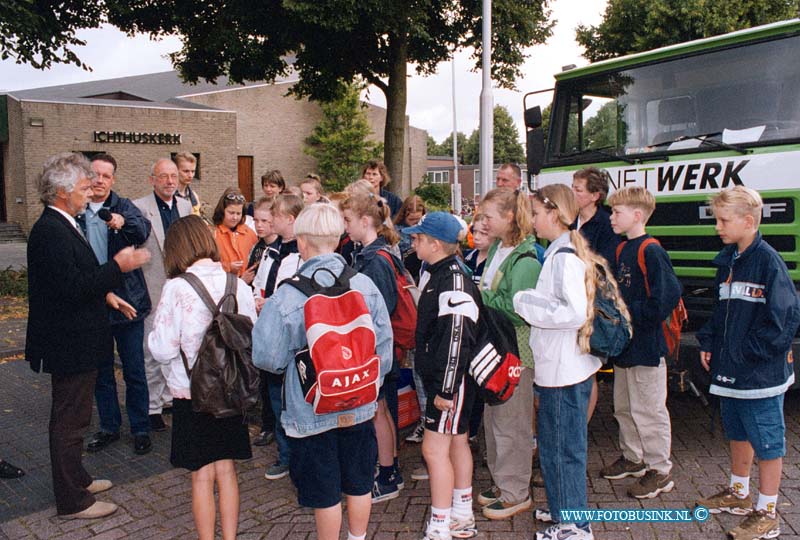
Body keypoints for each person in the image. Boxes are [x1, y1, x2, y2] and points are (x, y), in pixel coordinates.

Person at [252, 203, 393, 540]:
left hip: (311, 408)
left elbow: (267, 358)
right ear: (337, 237)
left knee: (325, 492)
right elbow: (383, 352)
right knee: (360, 482)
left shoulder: (287, 295)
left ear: (301, 241)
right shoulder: (364, 286)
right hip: (358, 403)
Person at [27, 152, 150, 520]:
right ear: (63, 192)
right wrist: (118, 267)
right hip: (68, 342)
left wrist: (107, 294)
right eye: (83, 187)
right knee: (69, 421)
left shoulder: (63, 223)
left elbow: (71, 280)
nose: (89, 192)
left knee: (76, 416)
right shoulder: (51, 230)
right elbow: (74, 287)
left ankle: (77, 479)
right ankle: (72, 501)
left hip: (77, 338)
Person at [695, 186, 800, 540]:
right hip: (731, 371)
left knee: (768, 441)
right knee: (737, 430)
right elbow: (721, 310)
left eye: (724, 221)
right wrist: (710, 342)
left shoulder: (768, 262)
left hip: (757, 374)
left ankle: (767, 512)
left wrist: (746, 354)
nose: (718, 227)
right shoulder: (728, 259)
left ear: (749, 221)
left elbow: (784, 320)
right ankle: (738, 492)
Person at [147, 215, 255, 540]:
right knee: (227, 470)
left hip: (191, 394)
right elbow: (252, 334)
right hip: (231, 390)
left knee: (201, 476)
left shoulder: (177, 288)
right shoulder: (237, 283)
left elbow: (163, 349)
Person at [514, 183, 611, 540]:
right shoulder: (561, 250)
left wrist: (524, 302)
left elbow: (571, 312)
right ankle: (562, 510)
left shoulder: (564, 256)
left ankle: (574, 525)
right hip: (561, 366)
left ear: (554, 213)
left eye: (537, 214)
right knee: (556, 445)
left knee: (563, 449)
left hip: (565, 370)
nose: (533, 221)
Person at [404, 212, 481, 540]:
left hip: (450, 381)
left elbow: (456, 338)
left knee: (434, 450)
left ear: (435, 244)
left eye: (418, 238)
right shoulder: (446, 273)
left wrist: (446, 390)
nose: (413, 241)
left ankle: (440, 525)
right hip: (454, 379)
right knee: (457, 443)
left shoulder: (450, 280)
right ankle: (462, 515)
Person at [602, 186, 681, 498]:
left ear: (637, 215)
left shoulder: (651, 250)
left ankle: (659, 469)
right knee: (624, 406)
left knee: (649, 409)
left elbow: (666, 297)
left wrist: (629, 314)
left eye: (617, 212)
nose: (611, 217)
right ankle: (633, 457)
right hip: (627, 346)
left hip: (647, 345)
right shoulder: (623, 249)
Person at [78, 153, 153, 456]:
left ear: (113, 180)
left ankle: (141, 428)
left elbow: (142, 232)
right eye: (95, 174)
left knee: (134, 370)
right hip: (93, 304)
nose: (99, 181)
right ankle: (109, 426)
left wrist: (120, 224)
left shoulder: (124, 207)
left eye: (105, 176)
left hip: (128, 303)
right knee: (101, 371)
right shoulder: (77, 208)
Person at [476, 188, 542, 520]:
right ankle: (503, 482)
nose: (482, 222)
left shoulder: (526, 258)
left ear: (509, 217)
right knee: (495, 420)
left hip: (517, 352)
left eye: (488, 216)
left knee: (512, 424)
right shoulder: (501, 248)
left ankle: (516, 490)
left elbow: (521, 309)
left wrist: (480, 298)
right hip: (499, 349)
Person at [342, 191, 403, 503]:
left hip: (377, 349)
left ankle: (387, 472)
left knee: (377, 411)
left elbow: (381, 308)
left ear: (365, 221)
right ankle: (391, 468)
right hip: (383, 348)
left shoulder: (375, 260)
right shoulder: (373, 254)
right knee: (382, 409)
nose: (345, 226)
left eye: (349, 220)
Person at [134, 158, 193, 431]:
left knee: (180, 346)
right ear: (152, 180)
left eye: (173, 176)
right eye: (163, 176)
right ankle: (152, 407)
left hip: (182, 287)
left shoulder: (185, 205)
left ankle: (171, 397)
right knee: (152, 350)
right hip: (155, 289)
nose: (170, 181)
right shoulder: (139, 208)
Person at [259, 192, 304, 480]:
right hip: (271, 332)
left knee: (294, 399)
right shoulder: (269, 252)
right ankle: (285, 454)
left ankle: (296, 456)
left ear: (290, 219)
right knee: (276, 397)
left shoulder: (301, 255)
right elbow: (261, 284)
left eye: (274, 215)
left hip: (293, 337)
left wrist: (274, 304)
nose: (270, 221)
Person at [571, 167, 621, 422]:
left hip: (591, 302)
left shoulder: (605, 224)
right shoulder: (570, 222)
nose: (573, 193)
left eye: (578, 190)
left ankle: (583, 423)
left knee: (587, 366)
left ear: (595, 195)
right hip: (571, 299)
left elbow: (605, 264)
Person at [248, 197, 281, 447]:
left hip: (275, 320)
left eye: (265, 221)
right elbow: (258, 281)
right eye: (256, 220)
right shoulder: (262, 249)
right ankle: (267, 423)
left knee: (274, 379)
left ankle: (275, 428)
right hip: (260, 316)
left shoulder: (282, 251)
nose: (259, 226)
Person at [212, 187, 258, 278]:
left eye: (238, 213)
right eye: (231, 213)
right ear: (222, 211)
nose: (235, 218)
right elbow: (207, 265)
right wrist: (228, 267)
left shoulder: (250, 234)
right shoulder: (213, 234)